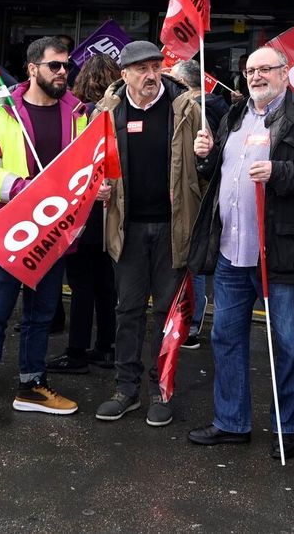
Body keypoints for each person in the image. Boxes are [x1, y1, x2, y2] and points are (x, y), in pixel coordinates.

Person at [185, 47, 294, 458]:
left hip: (281, 255)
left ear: (284, 73)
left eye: (264, 69)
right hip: (231, 253)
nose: (255, 76)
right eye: (250, 69)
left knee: (288, 343)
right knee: (225, 339)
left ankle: (286, 427)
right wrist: (205, 159)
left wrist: (280, 172)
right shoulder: (234, 116)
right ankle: (232, 422)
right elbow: (221, 173)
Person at [0, 36, 85, 432]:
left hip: (52, 235)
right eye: (55, 66)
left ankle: (31, 385)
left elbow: (86, 163)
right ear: (32, 68)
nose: (63, 73)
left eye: (67, 66)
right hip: (9, 233)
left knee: (41, 316)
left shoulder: (78, 111)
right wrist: (24, 188)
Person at [90, 41, 207, 426]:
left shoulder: (187, 109)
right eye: (141, 69)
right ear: (124, 75)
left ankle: (162, 389)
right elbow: (90, 167)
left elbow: (206, 168)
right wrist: (98, 187)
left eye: (156, 67)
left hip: (174, 227)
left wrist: (207, 153)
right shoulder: (106, 112)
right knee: (127, 310)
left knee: (166, 312)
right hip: (127, 228)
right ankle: (126, 389)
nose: (151, 75)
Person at [48, 53, 122, 375]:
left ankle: (76, 350)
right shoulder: (119, 113)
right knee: (105, 283)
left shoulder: (81, 115)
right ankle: (106, 346)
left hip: (85, 209)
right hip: (111, 211)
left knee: (81, 284)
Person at [172, 55, 228, 349]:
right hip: (206, 193)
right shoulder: (218, 106)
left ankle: (191, 325)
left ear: (183, 82)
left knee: (194, 260)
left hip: (200, 193)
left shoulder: (198, 107)